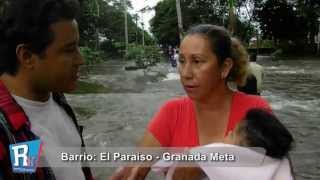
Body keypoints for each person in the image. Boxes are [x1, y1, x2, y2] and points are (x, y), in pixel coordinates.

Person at [110, 24, 271, 180]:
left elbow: (274, 169)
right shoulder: (172, 112)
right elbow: (137, 164)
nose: (185, 73)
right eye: (181, 61)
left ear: (224, 67)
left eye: (197, 61)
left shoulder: (254, 110)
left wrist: (204, 163)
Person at [0, 0, 93, 179]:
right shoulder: (7, 131)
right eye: (69, 50)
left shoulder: (57, 97)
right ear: (27, 56)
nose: (80, 60)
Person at [152, 108, 294, 180]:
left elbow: (169, 164)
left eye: (231, 134)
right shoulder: (280, 167)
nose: (227, 133)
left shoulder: (219, 154)